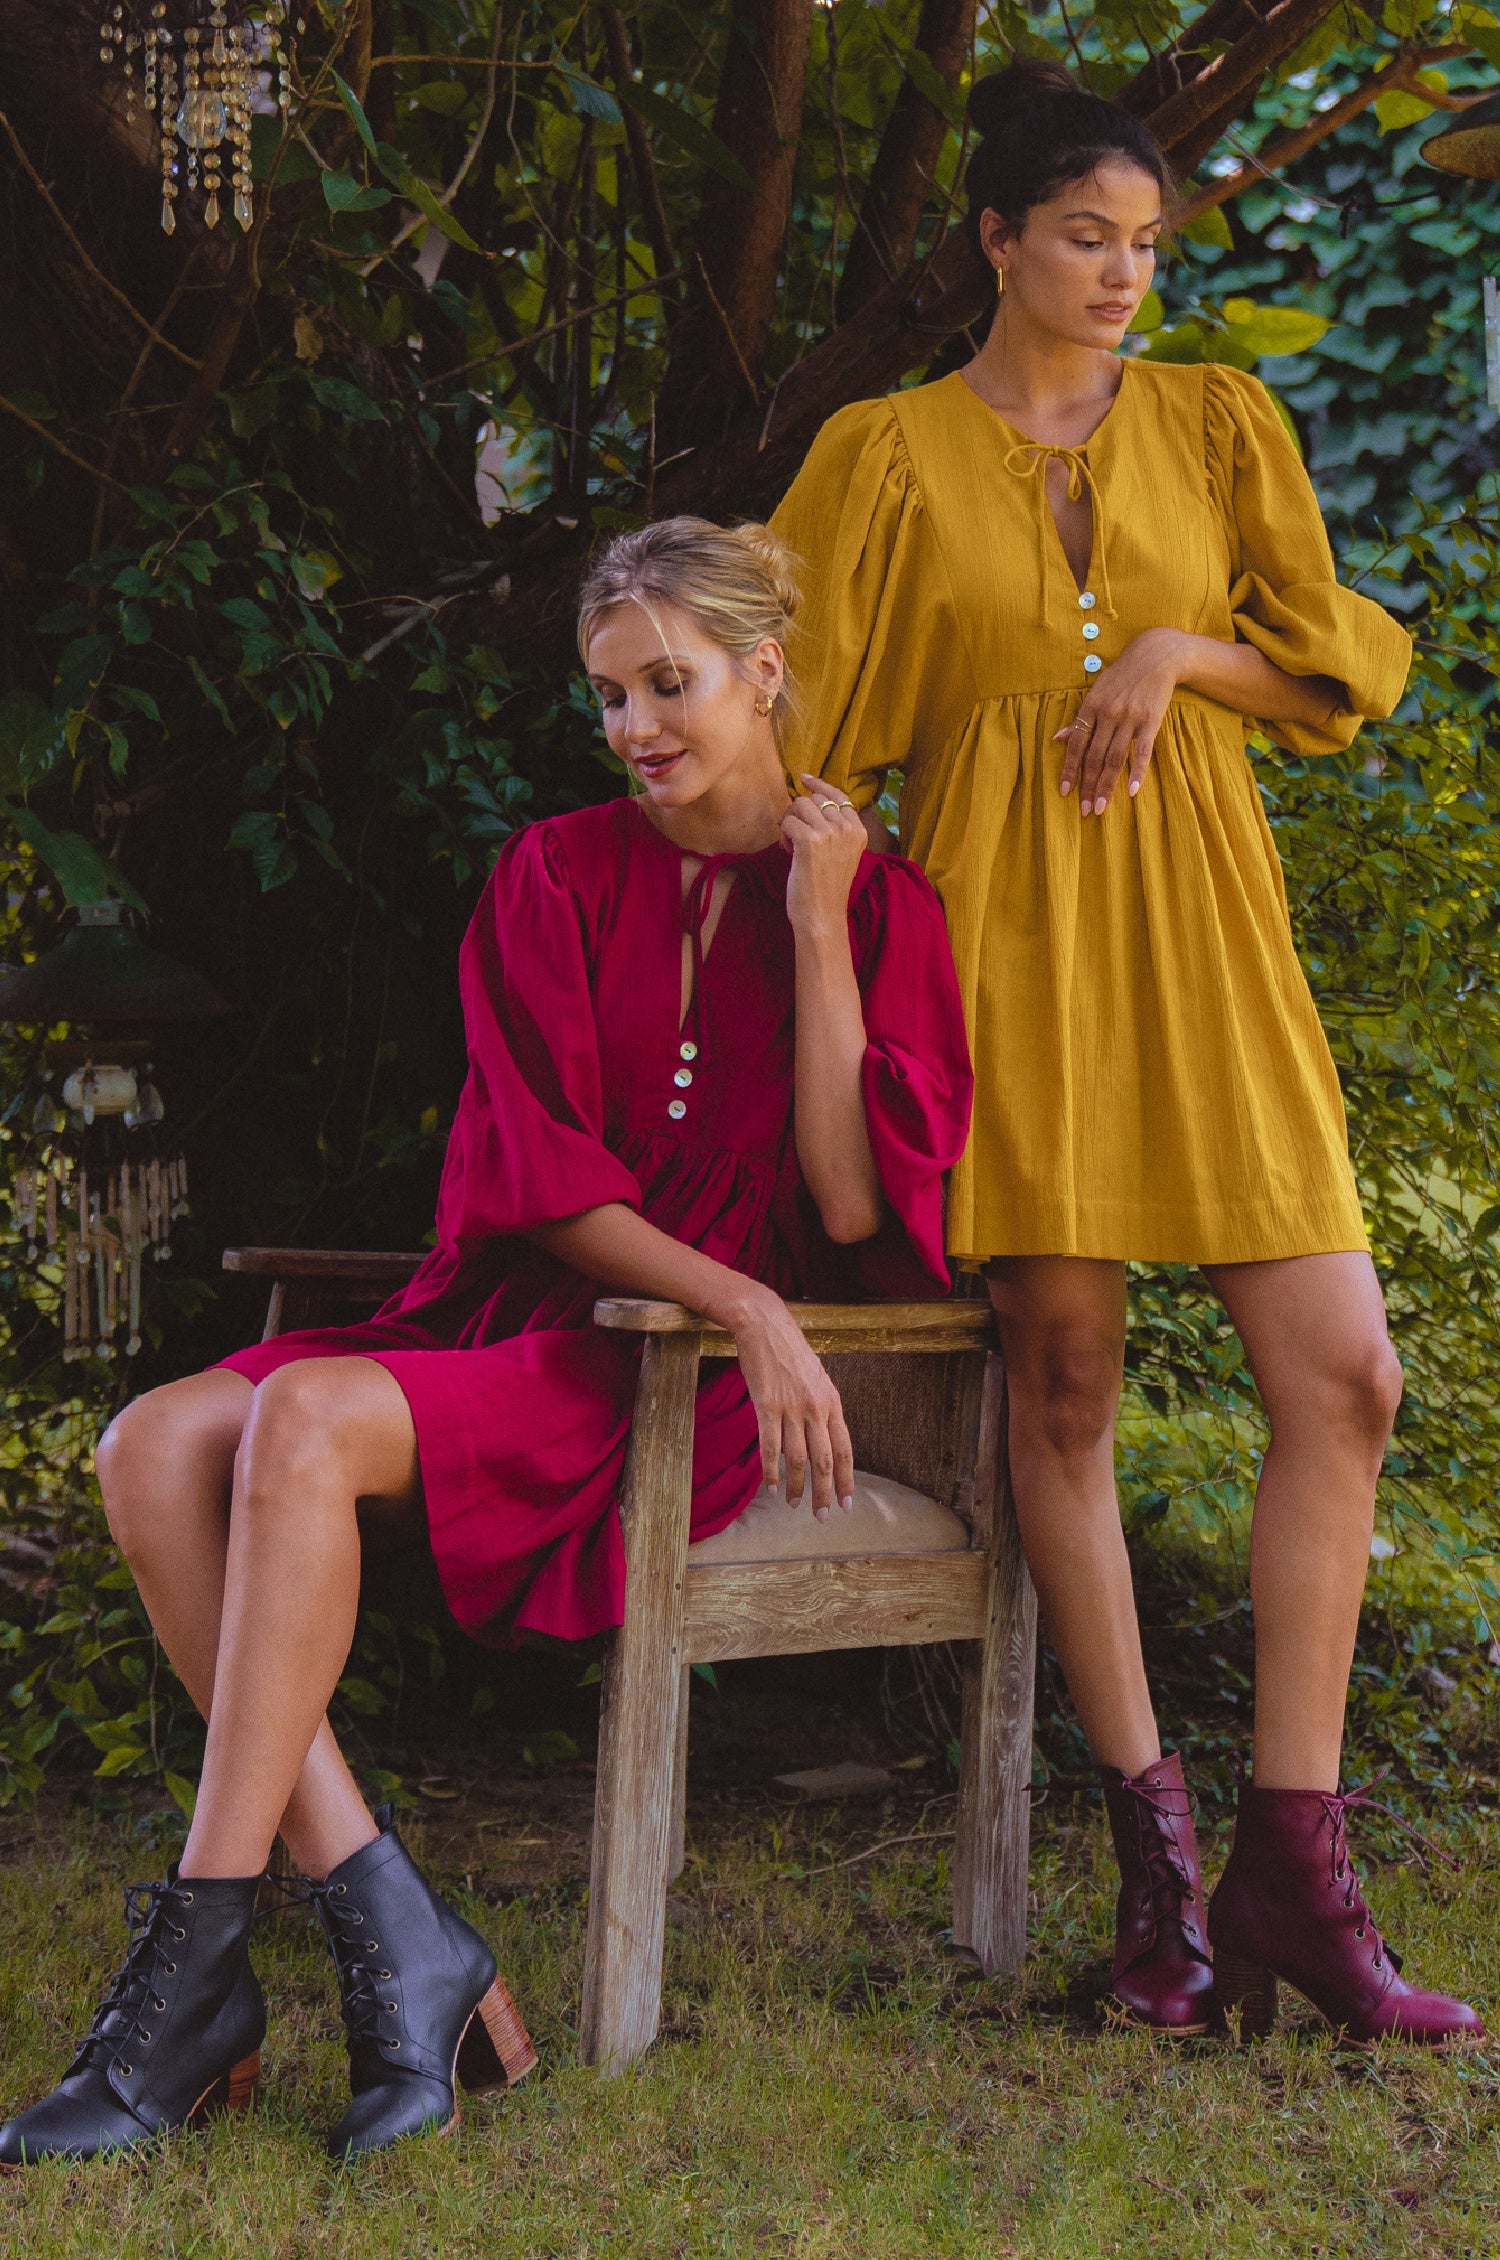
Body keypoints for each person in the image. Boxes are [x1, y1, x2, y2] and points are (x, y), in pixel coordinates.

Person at [0, 520, 973, 2169]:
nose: (635, 727)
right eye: (609, 696)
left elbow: (844, 1196)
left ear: (764, 672)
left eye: (668, 684)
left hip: (666, 1376)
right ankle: (391, 1942)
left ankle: (190, 1988)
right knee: (149, 1444)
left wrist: (821, 929)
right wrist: (748, 1299)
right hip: (523, 1311)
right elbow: (544, 1181)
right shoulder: (555, 872)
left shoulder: (883, 910)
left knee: (304, 1419)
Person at [771, 59, 1482, 2049]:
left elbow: (1331, 661)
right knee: (1064, 1381)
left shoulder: (1216, 419)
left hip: (1205, 928)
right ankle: (1161, 1878)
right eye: (1086, 236)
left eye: (1147, 244)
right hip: (996, 937)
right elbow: (790, 711)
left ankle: (1297, 1869)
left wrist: (1178, 651)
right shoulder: (884, 454)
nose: (1122, 274)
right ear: (995, 239)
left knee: (1344, 1373)